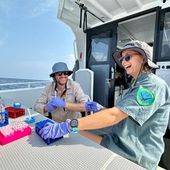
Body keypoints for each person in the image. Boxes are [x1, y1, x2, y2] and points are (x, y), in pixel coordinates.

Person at [38, 40, 170, 170]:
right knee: (75, 136)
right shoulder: (135, 85)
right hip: (119, 142)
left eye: (128, 57)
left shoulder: (152, 85)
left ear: (143, 58)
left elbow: (115, 115)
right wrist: (103, 110)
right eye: (122, 59)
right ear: (54, 76)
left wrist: (68, 125)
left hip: (136, 155)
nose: (123, 62)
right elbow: (121, 113)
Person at [34, 62, 102, 122]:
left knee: (75, 136)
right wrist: (46, 107)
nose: (63, 76)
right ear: (54, 76)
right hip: (57, 123)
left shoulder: (75, 86)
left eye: (65, 73)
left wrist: (65, 104)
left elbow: (84, 104)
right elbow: (36, 106)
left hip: (74, 123)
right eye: (59, 74)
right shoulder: (48, 88)